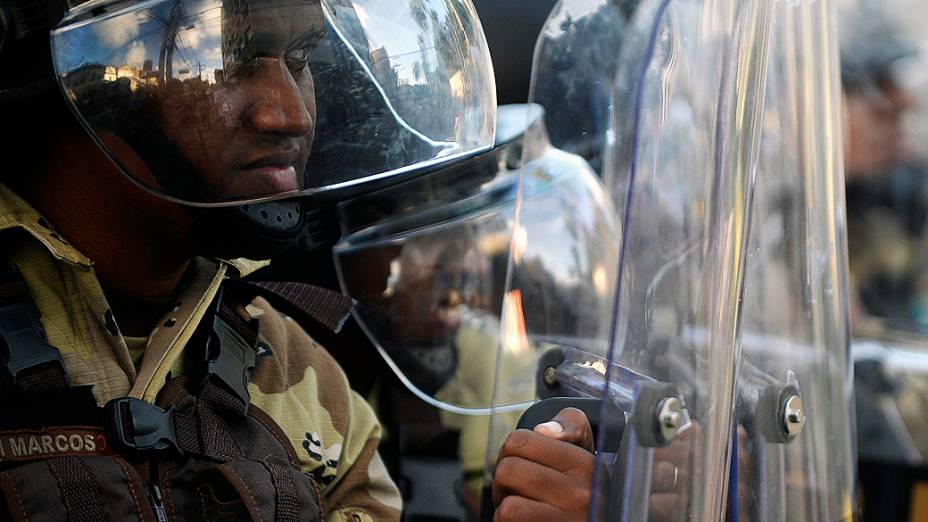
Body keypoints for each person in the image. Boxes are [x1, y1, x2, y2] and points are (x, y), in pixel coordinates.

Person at [0, 0, 498, 519]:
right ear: (92, 80)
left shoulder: (305, 380)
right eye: (227, 56)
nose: (290, 115)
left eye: (301, 58)